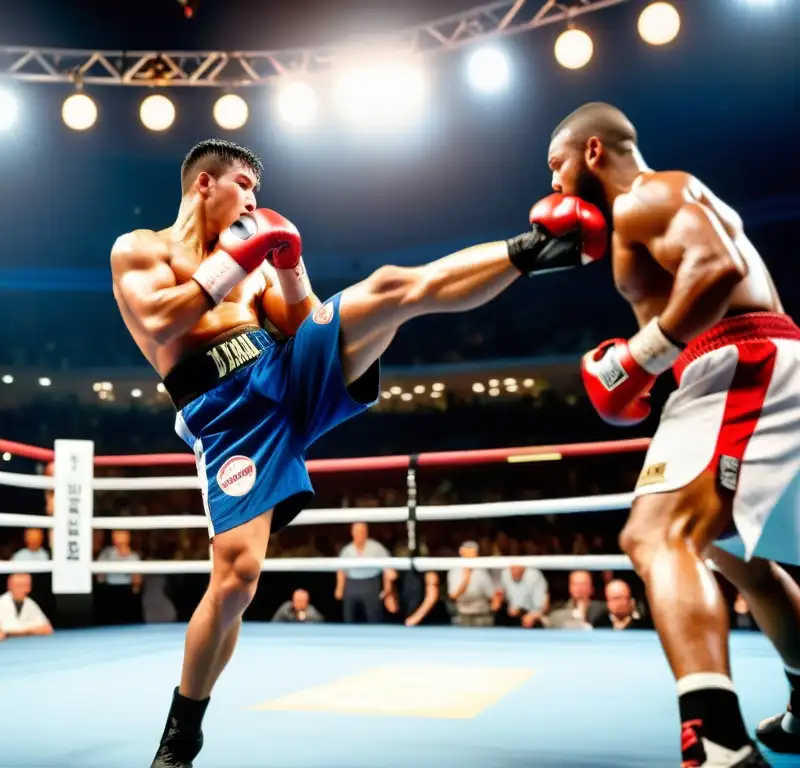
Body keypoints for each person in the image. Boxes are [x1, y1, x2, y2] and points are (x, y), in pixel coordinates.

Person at [109, 138, 607, 768]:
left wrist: (288, 268)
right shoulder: (142, 248)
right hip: (226, 413)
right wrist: (237, 261)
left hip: (286, 370)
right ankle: (185, 728)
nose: (254, 201)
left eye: (258, 192)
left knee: (392, 289)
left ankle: (537, 249)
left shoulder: (257, 261)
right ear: (204, 184)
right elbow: (159, 322)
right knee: (236, 580)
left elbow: (306, 323)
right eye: (243, 184)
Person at [554, 102, 800, 767]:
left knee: (656, 534)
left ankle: (715, 741)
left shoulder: (645, 195)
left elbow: (715, 266)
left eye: (558, 165)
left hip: (738, 360)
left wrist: (638, 358)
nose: (554, 187)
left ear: (594, 152)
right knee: (729, 550)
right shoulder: (665, 198)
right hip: (733, 363)